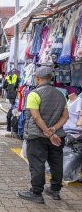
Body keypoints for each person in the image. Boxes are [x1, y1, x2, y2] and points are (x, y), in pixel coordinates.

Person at [18, 66, 69, 203]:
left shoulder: (34, 94)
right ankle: (55, 190)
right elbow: (65, 117)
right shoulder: (61, 94)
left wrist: (48, 132)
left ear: (38, 78)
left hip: (38, 137)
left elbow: (36, 117)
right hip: (58, 136)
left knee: (37, 164)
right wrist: (53, 130)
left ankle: (36, 193)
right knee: (56, 163)